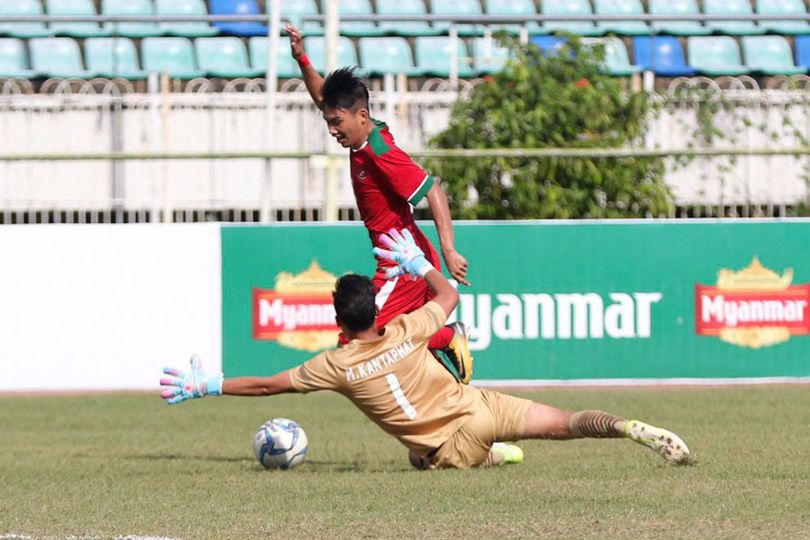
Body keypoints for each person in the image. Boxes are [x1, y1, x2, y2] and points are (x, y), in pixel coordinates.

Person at [161, 228, 692, 470]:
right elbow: (449, 295)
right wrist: (418, 265)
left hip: (451, 445)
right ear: (375, 310)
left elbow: (265, 386)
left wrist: (205, 385)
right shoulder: (406, 329)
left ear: (338, 320)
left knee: (421, 458)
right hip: (479, 406)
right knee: (567, 421)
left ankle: (490, 454)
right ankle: (627, 428)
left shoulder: (335, 366)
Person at [283, 24, 472, 383]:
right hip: (403, 258)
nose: (332, 130)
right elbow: (324, 95)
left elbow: (433, 190)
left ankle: (448, 337)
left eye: (336, 123)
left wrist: (448, 249)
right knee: (407, 343)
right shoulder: (362, 134)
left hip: (402, 262)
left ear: (362, 117)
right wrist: (301, 59)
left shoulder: (380, 152)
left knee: (355, 341)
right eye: (328, 123)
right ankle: (464, 412)